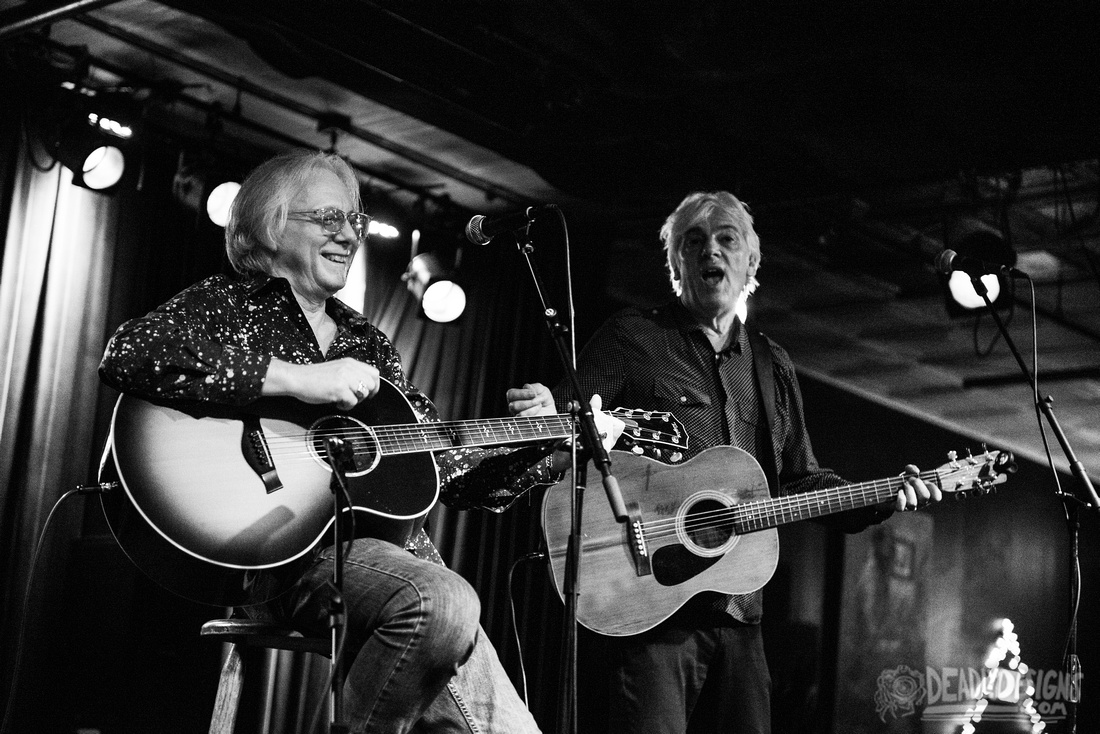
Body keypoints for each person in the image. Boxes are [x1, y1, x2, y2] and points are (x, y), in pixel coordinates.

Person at [98, 149, 619, 734]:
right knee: (443, 601)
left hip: (394, 567)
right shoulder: (228, 303)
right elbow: (131, 354)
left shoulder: (367, 342)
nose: (348, 234)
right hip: (281, 558)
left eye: (355, 222)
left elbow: (443, 469)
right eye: (328, 219)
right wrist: (299, 378)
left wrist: (542, 440)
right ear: (271, 225)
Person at [506, 191, 942, 733]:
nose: (710, 250)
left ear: (750, 263)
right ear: (675, 263)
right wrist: (549, 417)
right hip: (652, 608)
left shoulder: (771, 364)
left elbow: (802, 479)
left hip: (741, 617)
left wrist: (881, 496)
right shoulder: (633, 338)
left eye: (726, 239)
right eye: (694, 241)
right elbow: (574, 426)